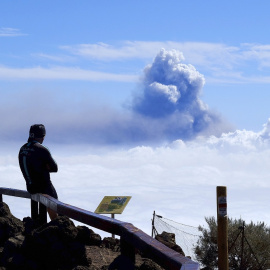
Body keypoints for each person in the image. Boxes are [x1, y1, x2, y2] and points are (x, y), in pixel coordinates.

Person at [18, 124, 58, 220]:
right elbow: (54, 168)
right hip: (45, 187)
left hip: (30, 187)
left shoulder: (22, 149)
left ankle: (36, 228)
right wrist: (45, 166)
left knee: (37, 217)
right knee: (56, 206)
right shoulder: (41, 149)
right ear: (43, 136)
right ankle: (57, 227)